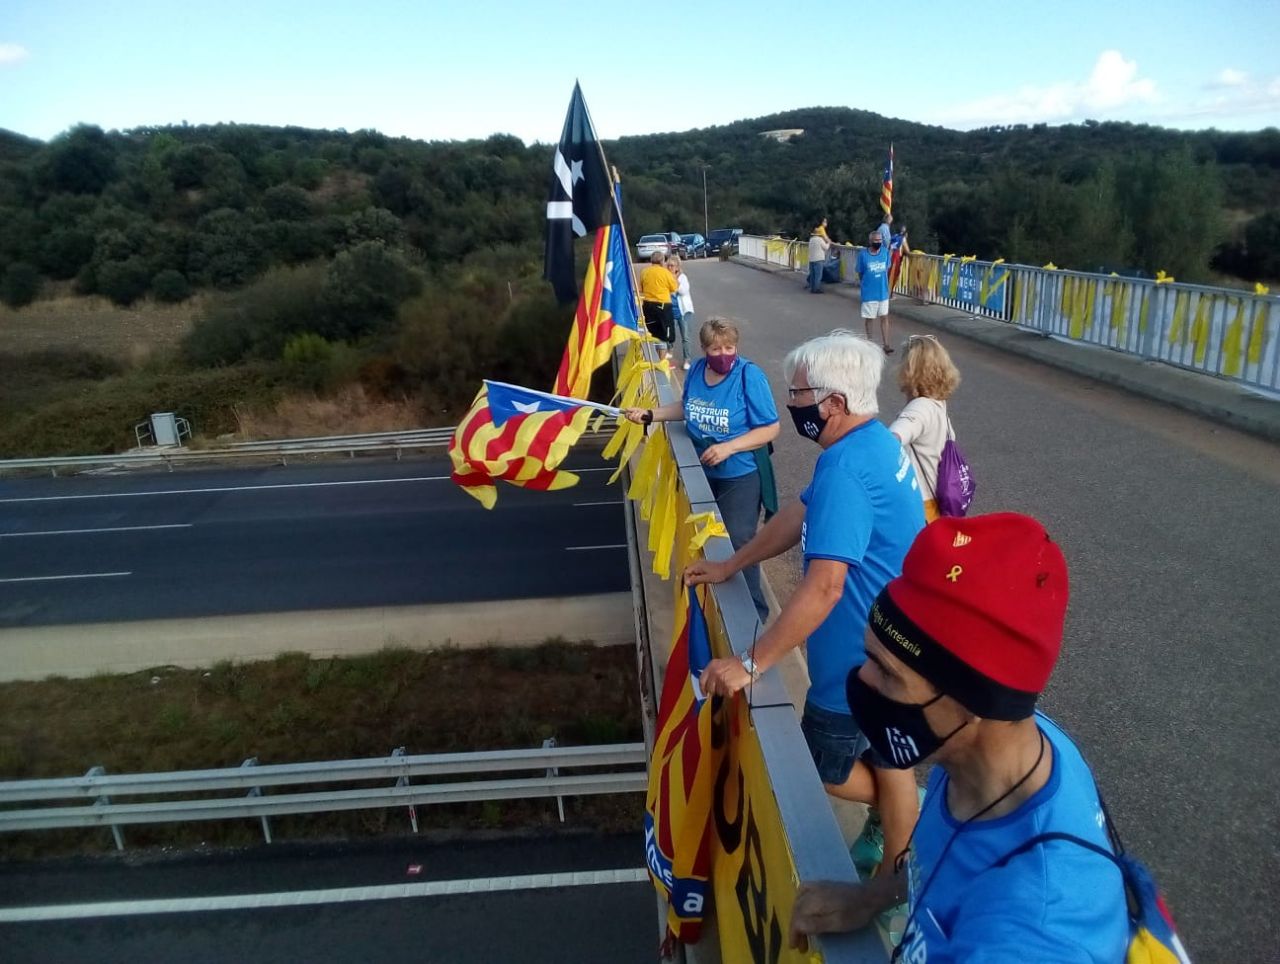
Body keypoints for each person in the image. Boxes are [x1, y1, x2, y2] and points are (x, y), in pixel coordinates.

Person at [790, 513, 1129, 963]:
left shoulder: (1036, 937)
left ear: (975, 703)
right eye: (869, 656)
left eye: (888, 674)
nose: (863, 682)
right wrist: (875, 897)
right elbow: (939, 864)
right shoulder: (1001, 749)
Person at [686, 330, 924, 898]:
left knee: (823, 769)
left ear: (833, 403)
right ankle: (897, 845)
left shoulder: (845, 469)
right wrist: (731, 564)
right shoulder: (870, 445)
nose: (792, 405)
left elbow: (823, 588)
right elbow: (796, 515)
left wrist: (750, 663)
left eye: (798, 396)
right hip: (887, 651)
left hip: (854, 667)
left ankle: (904, 860)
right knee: (887, 759)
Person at [624, 318, 779, 621]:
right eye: (716, 348)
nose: (723, 354)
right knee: (706, 539)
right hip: (702, 472)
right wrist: (650, 415)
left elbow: (771, 428)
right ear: (704, 349)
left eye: (729, 347)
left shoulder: (749, 376)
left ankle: (753, 614)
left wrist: (729, 447)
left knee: (738, 539)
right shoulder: (696, 370)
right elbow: (686, 407)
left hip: (740, 475)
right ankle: (717, 599)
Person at [889, 334, 961, 523]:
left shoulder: (919, 407)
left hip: (916, 501)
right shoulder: (938, 404)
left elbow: (893, 438)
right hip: (933, 497)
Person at [856, 231, 893, 353]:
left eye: (880, 240)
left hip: (883, 291)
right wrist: (865, 284)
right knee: (869, 318)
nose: (878, 242)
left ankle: (886, 345)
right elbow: (860, 272)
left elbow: (886, 269)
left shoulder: (885, 253)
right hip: (869, 293)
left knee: (884, 317)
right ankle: (870, 343)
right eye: (876, 240)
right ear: (870, 241)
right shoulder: (863, 255)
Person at [640, 251, 678, 359]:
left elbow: (641, 288)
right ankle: (661, 361)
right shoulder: (665, 273)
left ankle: (655, 358)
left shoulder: (644, 272)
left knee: (653, 332)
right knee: (664, 335)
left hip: (648, 306)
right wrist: (674, 274)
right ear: (662, 261)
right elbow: (674, 288)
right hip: (663, 306)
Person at [667, 255, 695, 371]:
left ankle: (687, 359)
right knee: (668, 335)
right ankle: (669, 350)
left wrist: (674, 281)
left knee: (685, 337)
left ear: (677, 267)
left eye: (672, 266)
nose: (669, 267)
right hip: (670, 311)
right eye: (668, 265)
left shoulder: (682, 278)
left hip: (683, 311)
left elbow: (683, 291)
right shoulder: (665, 277)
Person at [808, 220, 833, 293]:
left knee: (813, 275)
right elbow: (825, 247)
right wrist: (828, 243)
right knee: (818, 275)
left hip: (811, 259)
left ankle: (812, 288)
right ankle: (816, 289)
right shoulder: (820, 240)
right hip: (818, 259)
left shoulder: (811, 240)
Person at [889, 225, 910, 292]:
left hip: (889, 255)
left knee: (888, 274)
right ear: (906, 234)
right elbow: (907, 251)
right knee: (894, 275)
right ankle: (890, 293)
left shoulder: (894, 236)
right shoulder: (902, 238)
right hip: (896, 257)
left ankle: (884, 292)